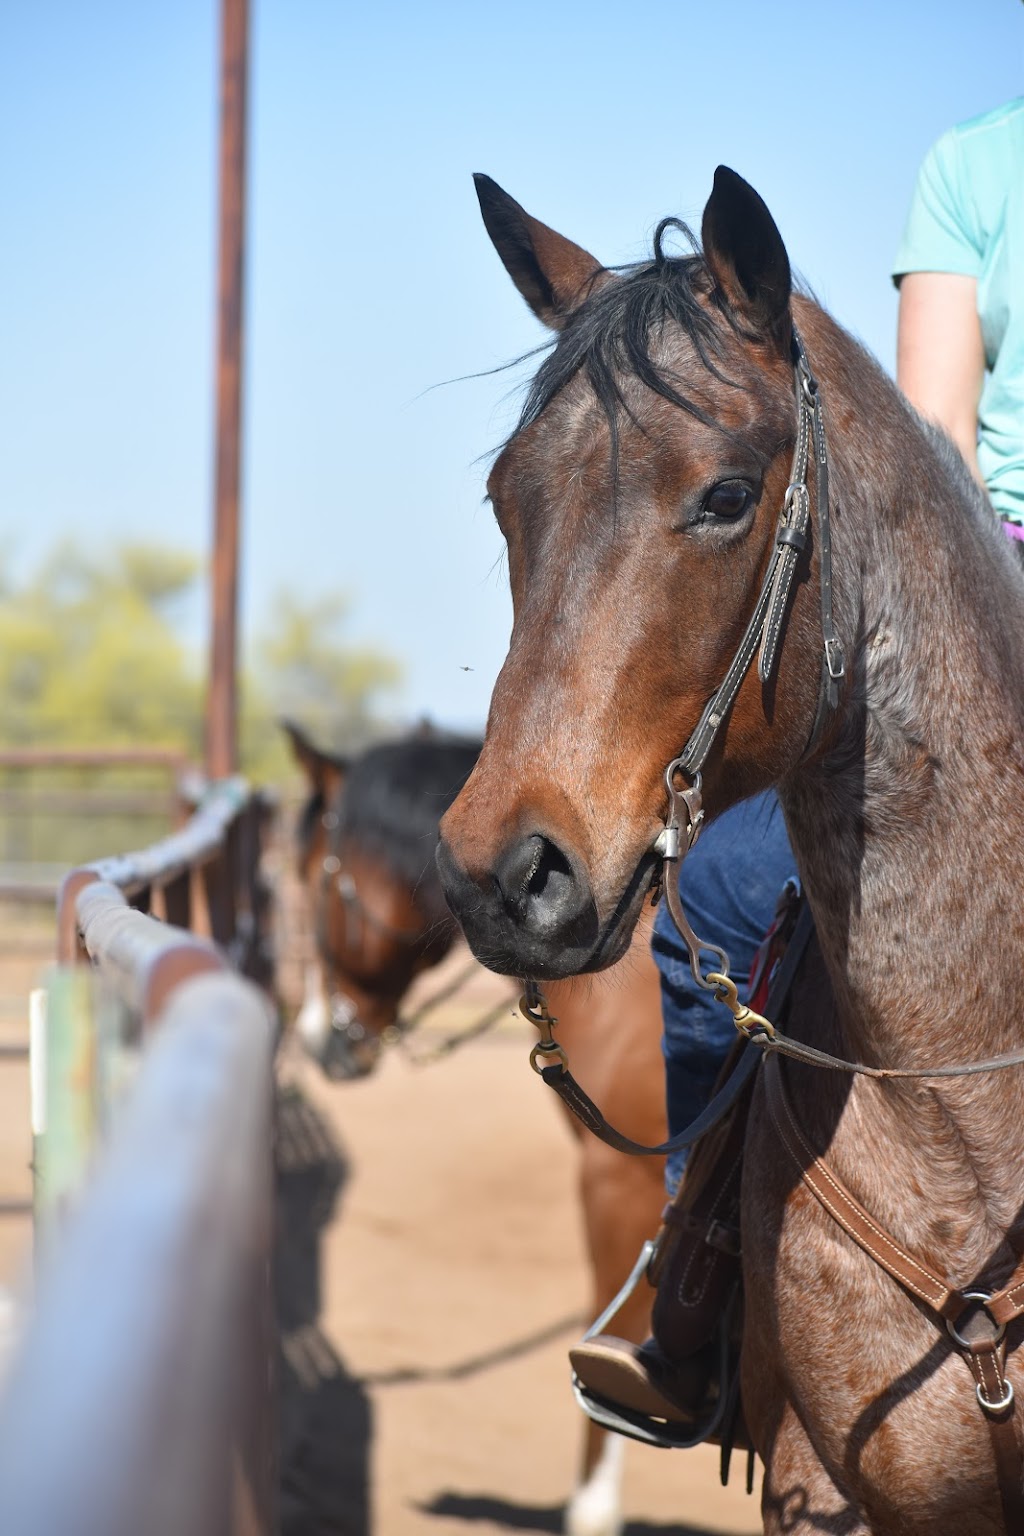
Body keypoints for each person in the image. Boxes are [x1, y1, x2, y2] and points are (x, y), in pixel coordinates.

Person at [571, 96, 1024, 1442]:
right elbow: (934, 437)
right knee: (721, 886)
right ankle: (701, 1280)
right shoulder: (975, 166)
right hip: (997, 573)